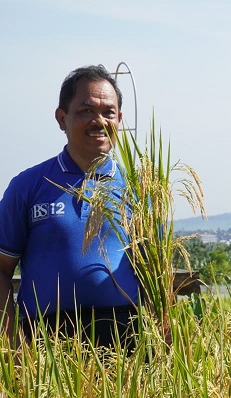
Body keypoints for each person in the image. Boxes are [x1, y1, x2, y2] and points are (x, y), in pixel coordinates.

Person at [0, 65, 139, 349]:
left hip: (128, 339)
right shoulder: (29, 185)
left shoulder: (140, 189)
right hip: (45, 341)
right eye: (86, 110)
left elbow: (157, 273)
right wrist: (12, 342)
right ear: (61, 118)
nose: (98, 121)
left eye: (108, 112)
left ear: (120, 119)